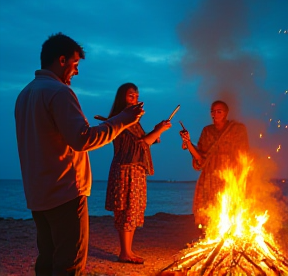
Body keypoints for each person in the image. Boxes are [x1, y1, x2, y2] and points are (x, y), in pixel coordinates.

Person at [14, 33, 144, 276]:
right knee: (68, 264)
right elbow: (83, 139)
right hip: (65, 193)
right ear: (61, 60)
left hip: (38, 194)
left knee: (47, 260)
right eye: (75, 64)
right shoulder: (59, 92)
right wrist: (122, 120)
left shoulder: (24, 94)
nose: (77, 71)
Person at [105, 83, 172, 264]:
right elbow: (140, 145)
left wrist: (156, 129)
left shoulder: (133, 121)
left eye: (136, 96)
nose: (134, 99)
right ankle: (124, 252)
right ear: (122, 98)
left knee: (133, 209)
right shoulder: (122, 118)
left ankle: (128, 250)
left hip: (135, 169)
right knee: (127, 208)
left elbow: (142, 141)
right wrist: (159, 130)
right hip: (126, 169)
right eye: (130, 96)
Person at [179, 100, 249, 235]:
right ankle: (209, 238)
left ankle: (230, 237)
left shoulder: (237, 129)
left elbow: (244, 154)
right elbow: (200, 158)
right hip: (210, 176)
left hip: (230, 175)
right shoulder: (207, 131)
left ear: (226, 113)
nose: (214, 114)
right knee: (207, 209)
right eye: (212, 111)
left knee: (230, 207)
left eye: (219, 111)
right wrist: (188, 143)